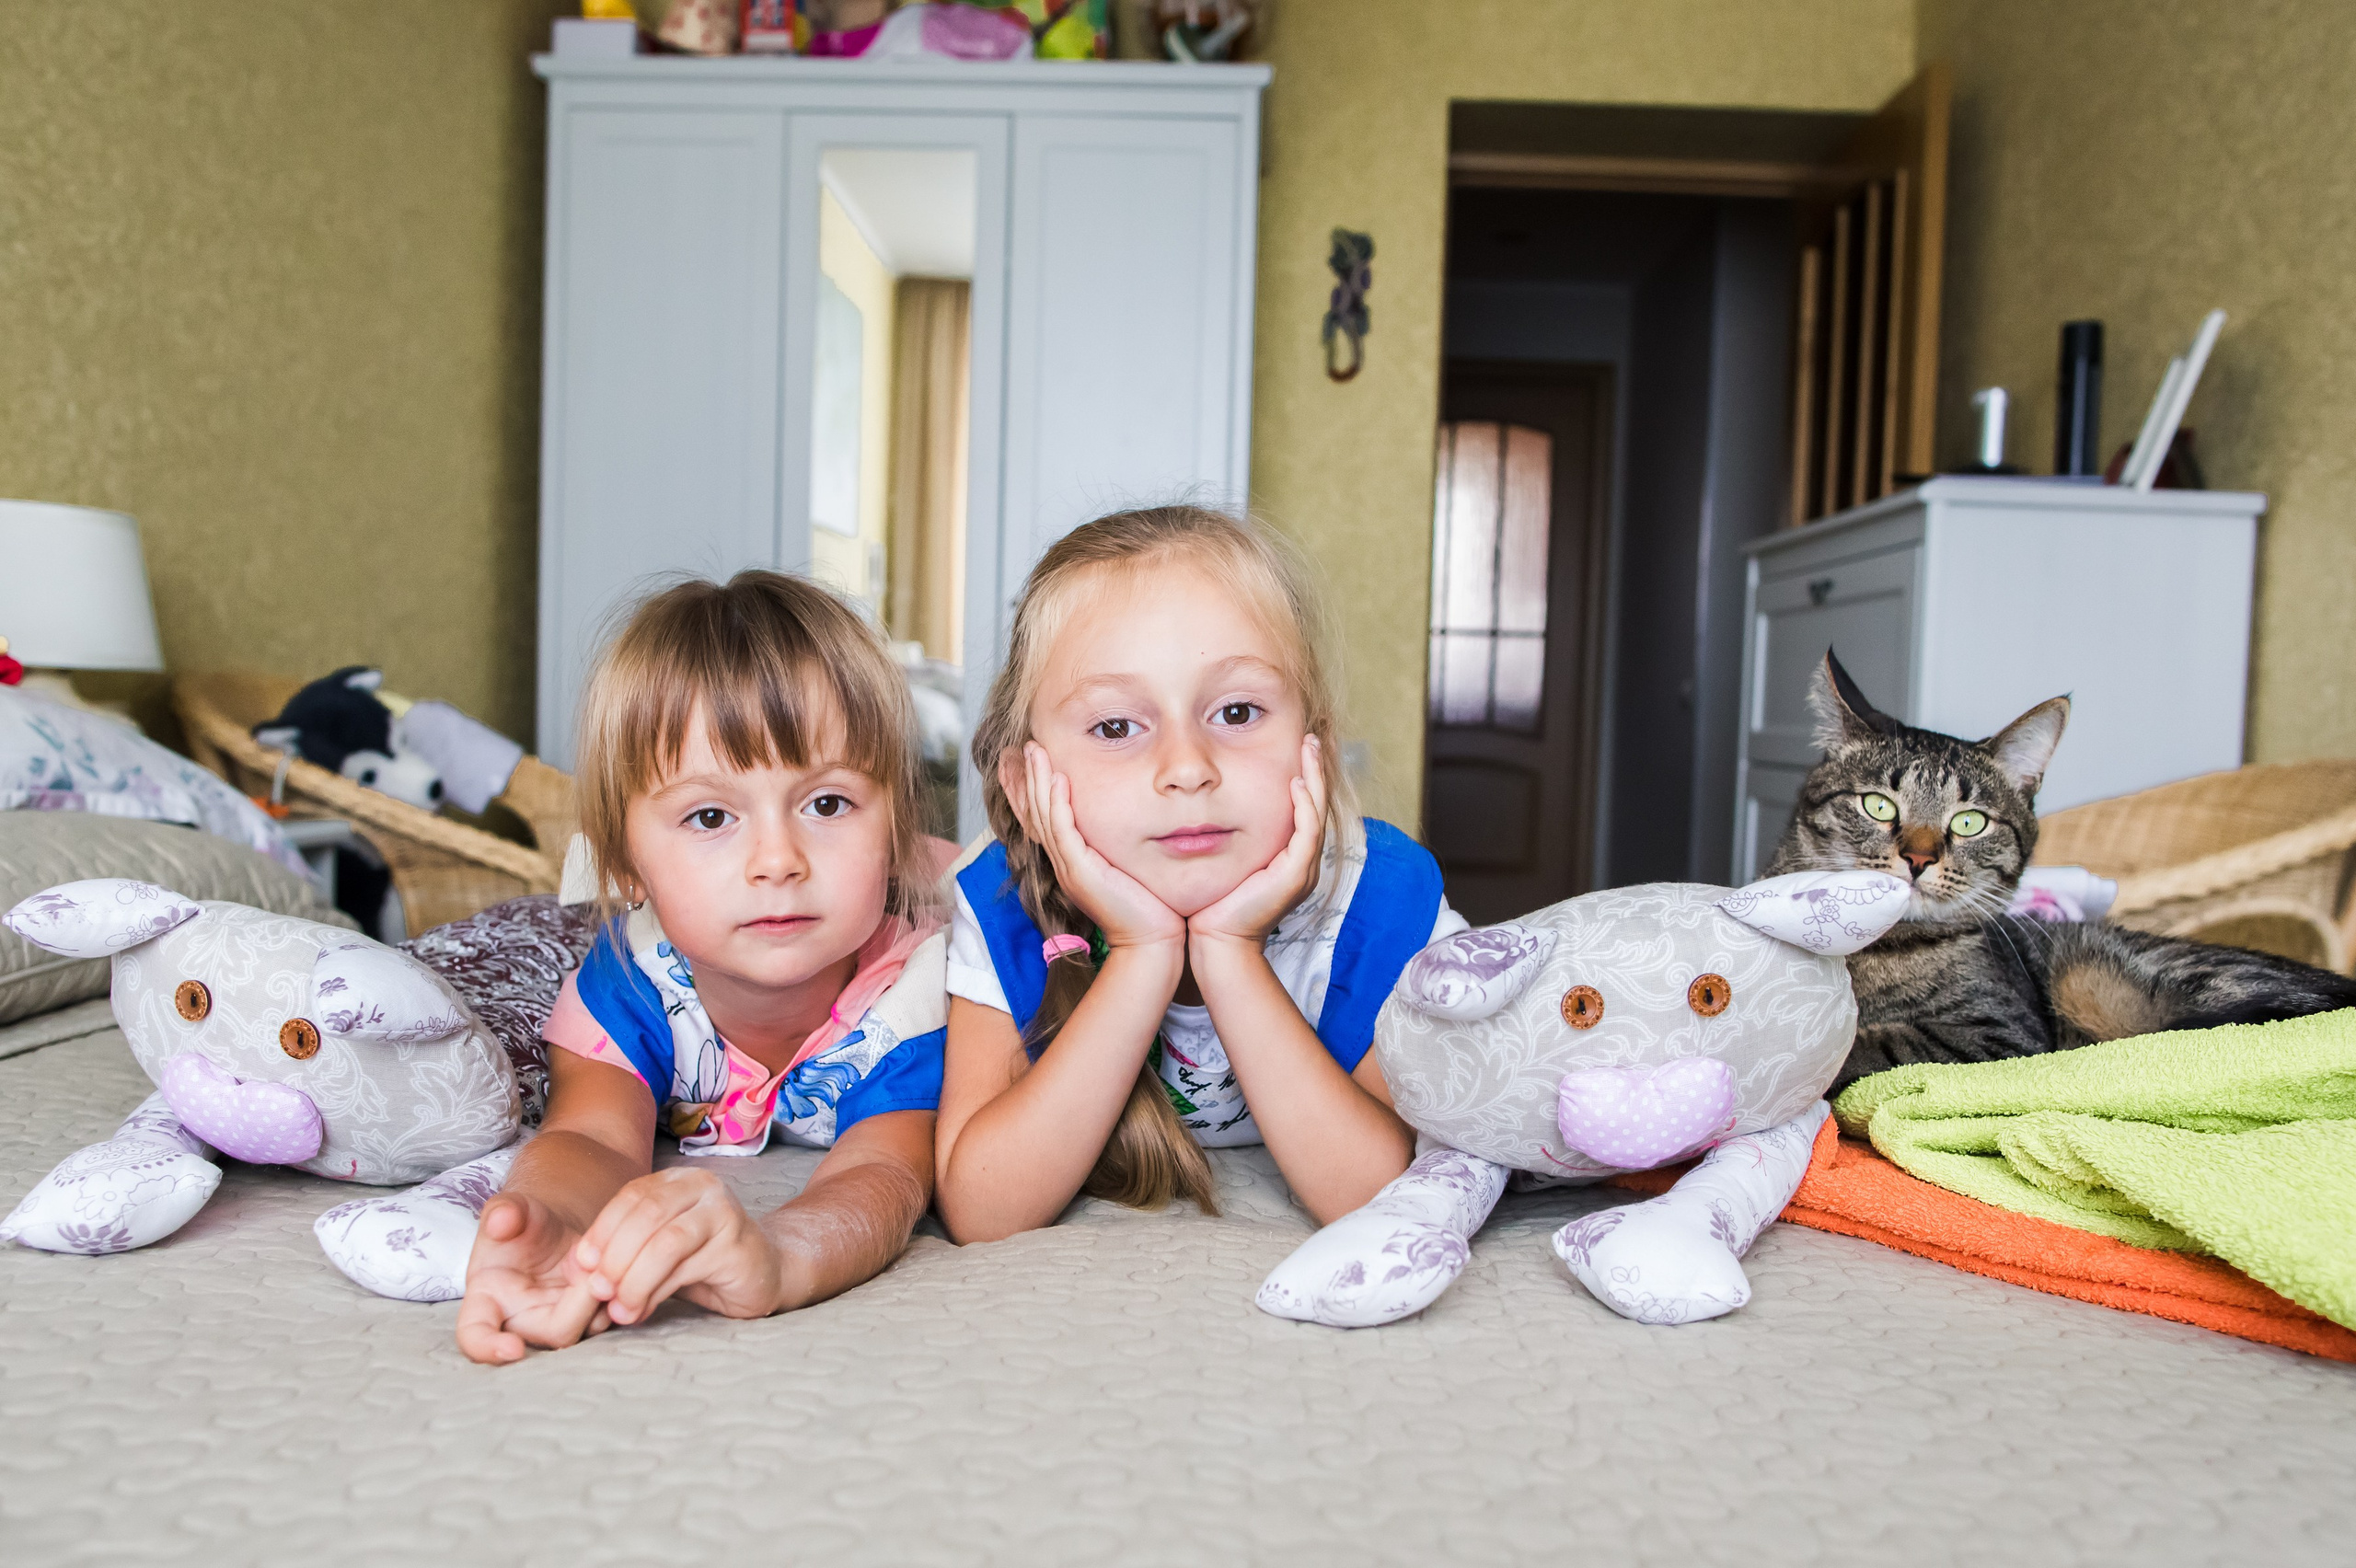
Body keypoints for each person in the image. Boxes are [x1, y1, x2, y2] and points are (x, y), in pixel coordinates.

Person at [456, 571, 951, 1364]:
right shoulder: (634, 976)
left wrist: (778, 1256)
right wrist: (552, 1225)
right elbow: (590, 1134)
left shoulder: (917, 990)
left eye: (826, 804)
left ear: (894, 825)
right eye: (711, 816)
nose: (778, 861)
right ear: (625, 864)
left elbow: (886, 1174)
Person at [935, 506, 1467, 1243]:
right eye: (1117, 727)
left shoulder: (1376, 902)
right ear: (1028, 789)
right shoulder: (1006, 906)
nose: (1188, 767)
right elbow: (984, 1211)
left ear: (1312, 751)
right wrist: (1144, 951)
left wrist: (1228, 949)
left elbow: (1385, 1198)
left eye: (1238, 711)